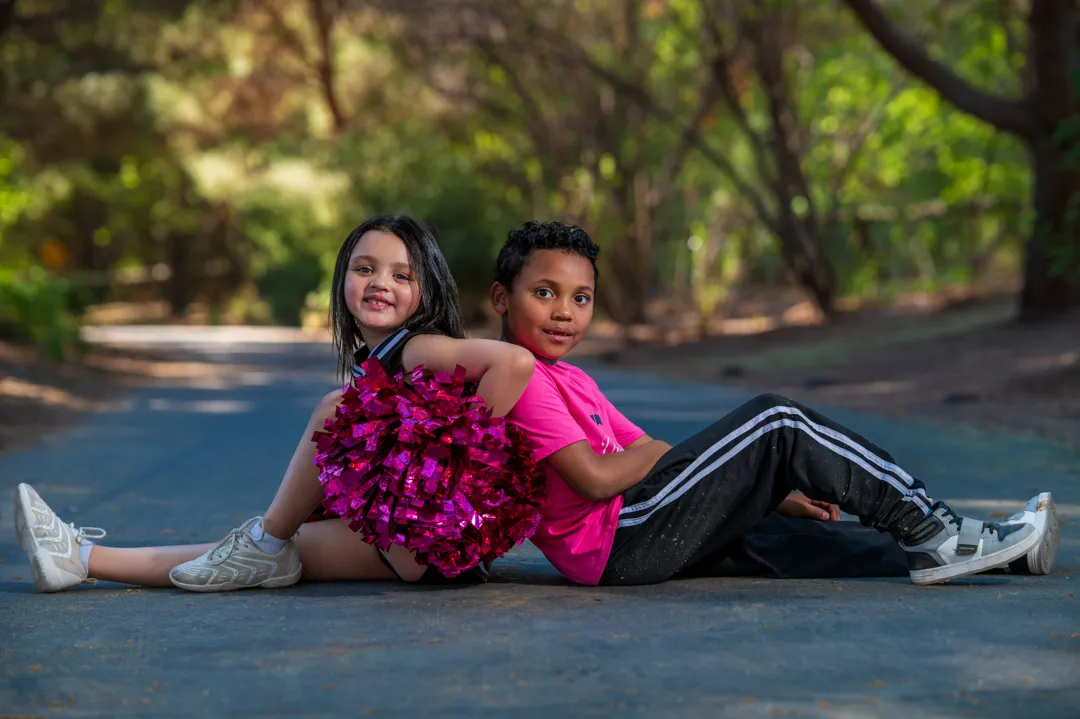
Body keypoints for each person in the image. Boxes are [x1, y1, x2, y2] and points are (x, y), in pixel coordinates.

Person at [492, 221, 1057, 586]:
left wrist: (767, 490)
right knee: (776, 420)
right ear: (501, 297)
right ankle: (931, 528)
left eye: (581, 298)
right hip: (619, 536)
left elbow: (642, 450)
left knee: (808, 542)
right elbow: (594, 478)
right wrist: (668, 454)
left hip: (642, 521)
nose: (564, 311)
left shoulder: (570, 377)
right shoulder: (522, 380)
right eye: (545, 293)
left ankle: (994, 552)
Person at [13, 214, 536, 593]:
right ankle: (80, 558)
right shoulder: (375, 356)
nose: (380, 283)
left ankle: (262, 540)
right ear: (342, 279)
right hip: (415, 548)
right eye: (365, 268)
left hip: (426, 536)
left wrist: (443, 471)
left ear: (427, 291)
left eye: (402, 275)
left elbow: (514, 364)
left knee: (335, 413)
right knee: (253, 556)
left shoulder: (417, 346)